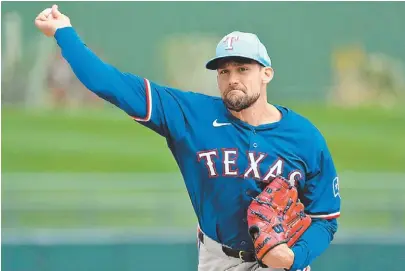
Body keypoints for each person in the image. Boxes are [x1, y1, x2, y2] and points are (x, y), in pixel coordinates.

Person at [35, 5, 341, 271]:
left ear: (266, 74)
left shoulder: (304, 137)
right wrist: (64, 32)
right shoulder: (190, 115)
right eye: (224, 71)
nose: (232, 78)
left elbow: (325, 218)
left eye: (243, 69)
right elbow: (109, 83)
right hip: (218, 260)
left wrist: (293, 257)